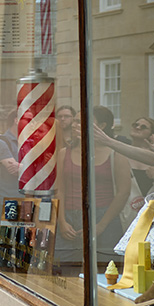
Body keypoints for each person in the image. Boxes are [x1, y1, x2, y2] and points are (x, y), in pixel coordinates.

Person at [57, 106, 131, 264]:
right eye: (75, 121)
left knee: (105, 269)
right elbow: (59, 190)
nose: (75, 125)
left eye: (81, 121)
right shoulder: (65, 153)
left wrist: (101, 225)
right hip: (69, 217)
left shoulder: (115, 153)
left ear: (102, 126)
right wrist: (62, 221)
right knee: (64, 267)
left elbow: (123, 192)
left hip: (105, 216)